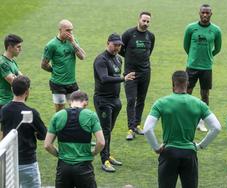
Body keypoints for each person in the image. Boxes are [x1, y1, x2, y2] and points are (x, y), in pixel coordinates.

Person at [143, 70, 221, 188]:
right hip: (189, 153)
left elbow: (147, 129)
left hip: (168, 153)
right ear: (187, 83)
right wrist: (200, 146)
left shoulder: (161, 103)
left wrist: (156, 147)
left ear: (173, 84)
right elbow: (216, 128)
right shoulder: (199, 104)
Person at [44, 91, 105, 188]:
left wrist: (60, 155)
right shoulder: (91, 115)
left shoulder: (58, 115)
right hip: (84, 167)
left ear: (70, 102)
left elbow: (47, 145)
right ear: (85, 103)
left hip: (63, 168)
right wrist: (92, 153)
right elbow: (101, 142)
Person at [93, 33, 135, 172]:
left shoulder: (118, 59)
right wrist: (124, 79)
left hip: (115, 101)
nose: (117, 48)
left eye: (119, 45)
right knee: (105, 131)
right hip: (103, 101)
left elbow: (116, 76)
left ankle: (107, 154)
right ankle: (104, 161)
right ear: (108, 43)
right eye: (115, 44)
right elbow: (104, 78)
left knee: (108, 131)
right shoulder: (101, 60)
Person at [0, 75, 47, 188]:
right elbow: (43, 134)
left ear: (12, 89)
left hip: (9, 162)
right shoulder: (32, 113)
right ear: (27, 91)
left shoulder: (4, 110)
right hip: (28, 162)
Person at [183, 4, 222, 131]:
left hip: (206, 67)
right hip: (192, 66)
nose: (205, 15)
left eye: (207, 13)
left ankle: (202, 122)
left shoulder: (216, 30)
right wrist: (193, 57)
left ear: (211, 14)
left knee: (205, 94)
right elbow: (186, 46)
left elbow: (218, 48)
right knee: (187, 92)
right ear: (199, 13)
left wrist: (208, 56)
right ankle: (187, 119)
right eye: (203, 13)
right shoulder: (191, 28)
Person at [119, 11, 155, 140]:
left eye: (148, 21)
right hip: (130, 73)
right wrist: (130, 59)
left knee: (141, 100)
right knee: (131, 100)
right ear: (139, 20)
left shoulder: (150, 36)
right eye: (144, 21)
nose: (145, 23)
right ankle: (130, 129)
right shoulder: (128, 34)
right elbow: (121, 50)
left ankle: (138, 125)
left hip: (145, 72)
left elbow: (149, 52)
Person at [41, 19, 86, 112]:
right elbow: (44, 64)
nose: (70, 33)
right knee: (60, 112)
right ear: (60, 30)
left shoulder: (73, 41)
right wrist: (54, 71)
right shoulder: (51, 45)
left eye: (71, 30)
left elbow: (82, 57)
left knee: (78, 109)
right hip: (58, 84)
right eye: (67, 30)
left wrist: (73, 43)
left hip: (72, 83)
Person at [0, 34, 23, 110]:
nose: (20, 49)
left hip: (10, 102)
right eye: (18, 47)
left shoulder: (12, 61)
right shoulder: (3, 63)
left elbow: (23, 79)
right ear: (10, 47)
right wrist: (17, 78)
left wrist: (16, 77)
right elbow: (17, 83)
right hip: (4, 103)